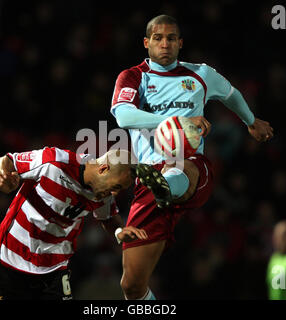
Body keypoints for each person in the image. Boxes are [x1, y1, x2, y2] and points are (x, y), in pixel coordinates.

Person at [110, 14, 274, 300]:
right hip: (149, 179)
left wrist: (250, 121)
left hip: (192, 169)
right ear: (146, 43)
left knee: (181, 165)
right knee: (132, 286)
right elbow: (123, 116)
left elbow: (231, 94)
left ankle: (167, 184)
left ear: (180, 43)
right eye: (158, 38)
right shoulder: (132, 76)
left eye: (171, 38)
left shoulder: (200, 74)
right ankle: (161, 187)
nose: (165, 44)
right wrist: (175, 122)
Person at [0, 147, 147, 300]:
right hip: (12, 259)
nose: (115, 194)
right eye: (116, 187)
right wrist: (4, 178)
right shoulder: (55, 162)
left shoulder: (103, 194)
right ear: (103, 169)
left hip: (54, 268)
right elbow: (5, 161)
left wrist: (119, 231)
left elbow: (108, 218)